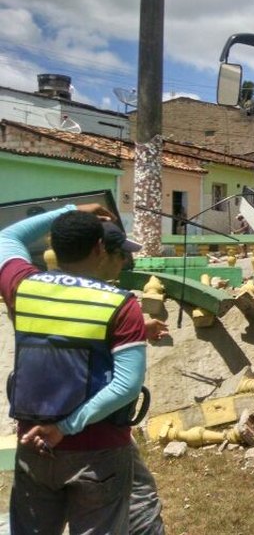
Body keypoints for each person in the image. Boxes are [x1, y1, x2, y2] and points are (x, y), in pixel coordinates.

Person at [2, 205, 151, 534]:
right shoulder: (120, 304)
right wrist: (66, 427)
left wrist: (69, 210)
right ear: (100, 248)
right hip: (99, 452)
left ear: (53, 246)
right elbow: (127, 385)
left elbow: (6, 237)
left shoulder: (24, 287)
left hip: (34, 446)